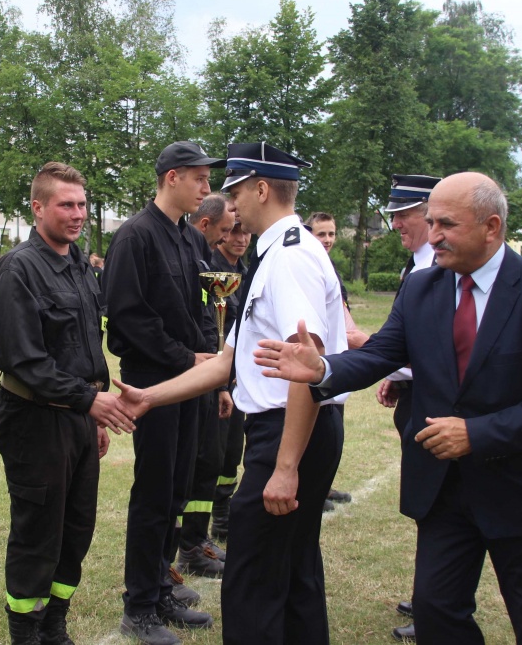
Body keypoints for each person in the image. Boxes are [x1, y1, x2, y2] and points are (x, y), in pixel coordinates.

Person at [255, 172, 522, 644]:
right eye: (431, 221)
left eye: (447, 225)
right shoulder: (422, 289)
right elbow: (380, 355)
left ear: (492, 227)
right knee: (436, 613)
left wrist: (476, 434)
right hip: (445, 491)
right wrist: (323, 371)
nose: (432, 235)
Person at [113, 142, 349, 645]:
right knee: (291, 573)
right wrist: (150, 397)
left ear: (262, 188)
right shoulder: (277, 253)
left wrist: (285, 468)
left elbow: (306, 369)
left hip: (289, 431)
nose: (228, 203)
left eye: (236, 190)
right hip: (289, 428)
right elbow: (228, 361)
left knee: (255, 582)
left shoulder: (288, 259)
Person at [0, 162, 133, 645]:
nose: (77, 214)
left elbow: (87, 346)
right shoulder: (18, 269)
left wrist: (91, 411)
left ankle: (55, 625)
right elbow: (25, 360)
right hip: (34, 419)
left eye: (82, 205)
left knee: (77, 528)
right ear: (37, 207)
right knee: (37, 532)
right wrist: (89, 401)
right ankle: (26, 632)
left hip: (76, 419)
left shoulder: (79, 266)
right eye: (66, 205)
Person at [101, 141, 222, 644]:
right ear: (172, 177)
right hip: (152, 380)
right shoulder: (135, 236)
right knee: (153, 491)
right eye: (199, 178)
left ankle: (161, 583)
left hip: (188, 380)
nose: (207, 188)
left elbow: (203, 306)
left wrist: (211, 363)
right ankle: (140, 605)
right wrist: (187, 360)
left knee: (177, 486)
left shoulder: (188, 239)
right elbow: (129, 319)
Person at [366, 173, 443, 642]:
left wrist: (388, 364)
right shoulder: (417, 264)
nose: (395, 224)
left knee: (437, 504)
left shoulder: (435, 266)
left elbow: (435, 348)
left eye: (403, 214)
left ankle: (435, 602)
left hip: (436, 406)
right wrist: (395, 376)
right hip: (415, 397)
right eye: (392, 215)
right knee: (426, 502)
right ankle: (430, 595)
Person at [177, 193, 235, 579]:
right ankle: (187, 547)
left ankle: (197, 540)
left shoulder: (206, 260)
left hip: (211, 376)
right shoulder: (198, 262)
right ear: (205, 225)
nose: (230, 239)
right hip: (188, 375)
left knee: (211, 461)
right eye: (226, 232)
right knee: (193, 465)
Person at [303, 211, 356, 512]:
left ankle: (323, 483)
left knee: (333, 423)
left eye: (331, 234)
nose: (327, 240)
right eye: (321, 234)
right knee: (316, 422)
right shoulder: (309, 266)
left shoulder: (331, 267)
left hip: (338, 361)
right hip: (318, 364)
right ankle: (313, 486)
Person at [209, 217, 250, 543]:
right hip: (215, 376)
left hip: (241, 377)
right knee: (217, 449)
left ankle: (222, 519)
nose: (240, 238)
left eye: (245, 231)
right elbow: (213, 330)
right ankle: (210, 523)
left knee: (233, 449)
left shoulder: (247, 272)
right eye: (234, 231)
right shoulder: (212, 269)